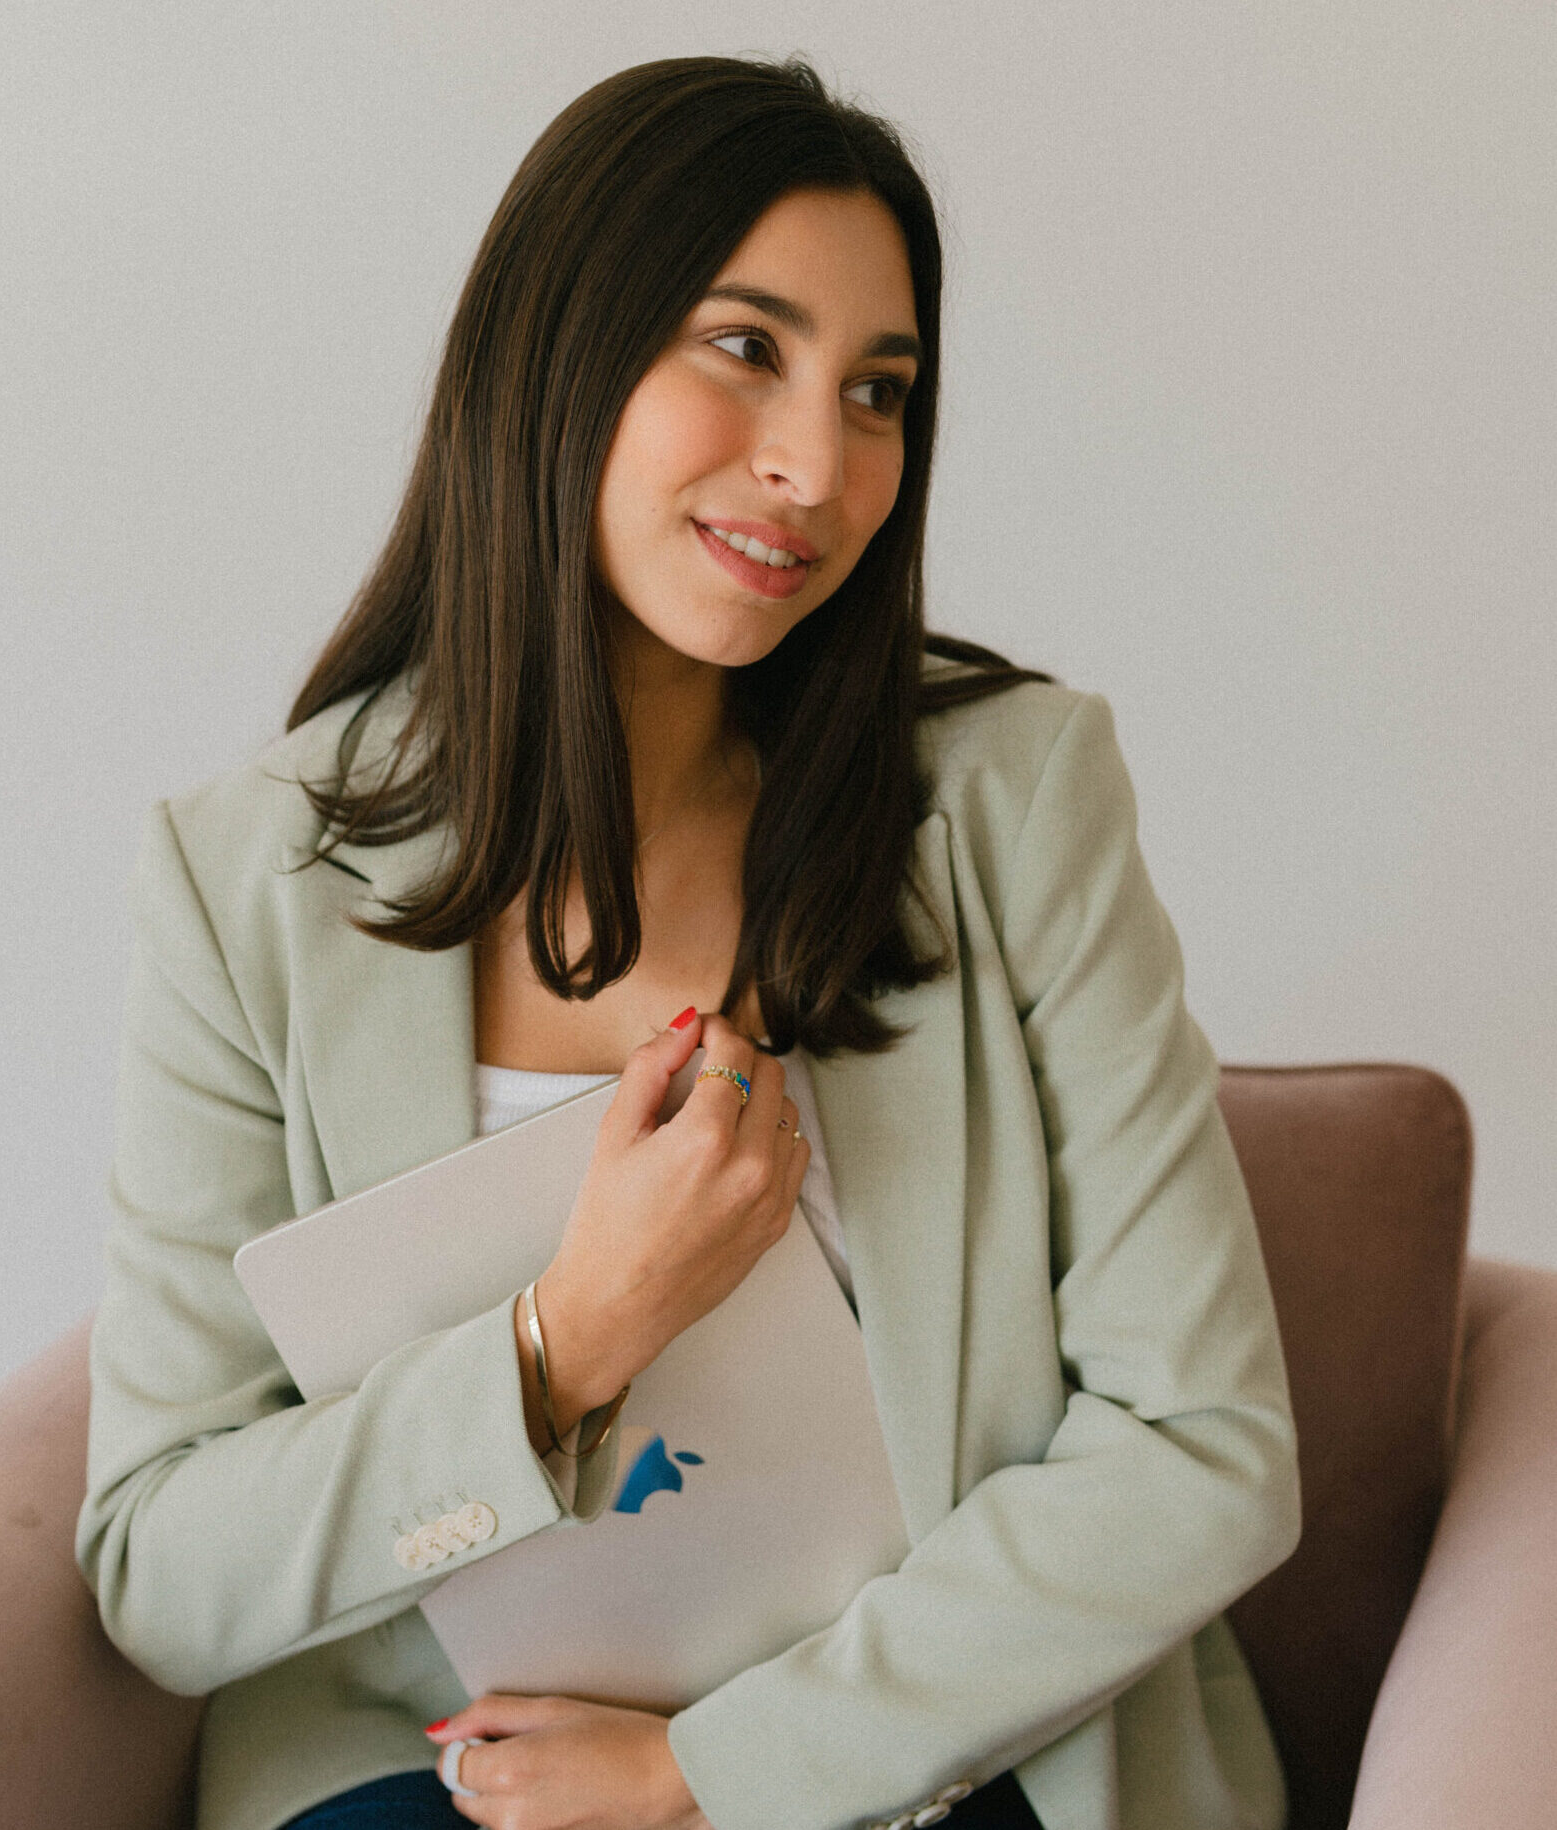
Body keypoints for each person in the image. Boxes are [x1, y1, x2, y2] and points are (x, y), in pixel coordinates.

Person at [74, 52, 1302, 1830]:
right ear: (558, 356)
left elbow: (1205, 1448)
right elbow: (162, 1566)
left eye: (878, 390)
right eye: (744, 346)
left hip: (943, 1763)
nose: (818, 461)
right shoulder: (244, 879)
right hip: (453, 1777)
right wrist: (567, 1337)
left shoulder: (1013, 800)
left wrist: (712, 1773)